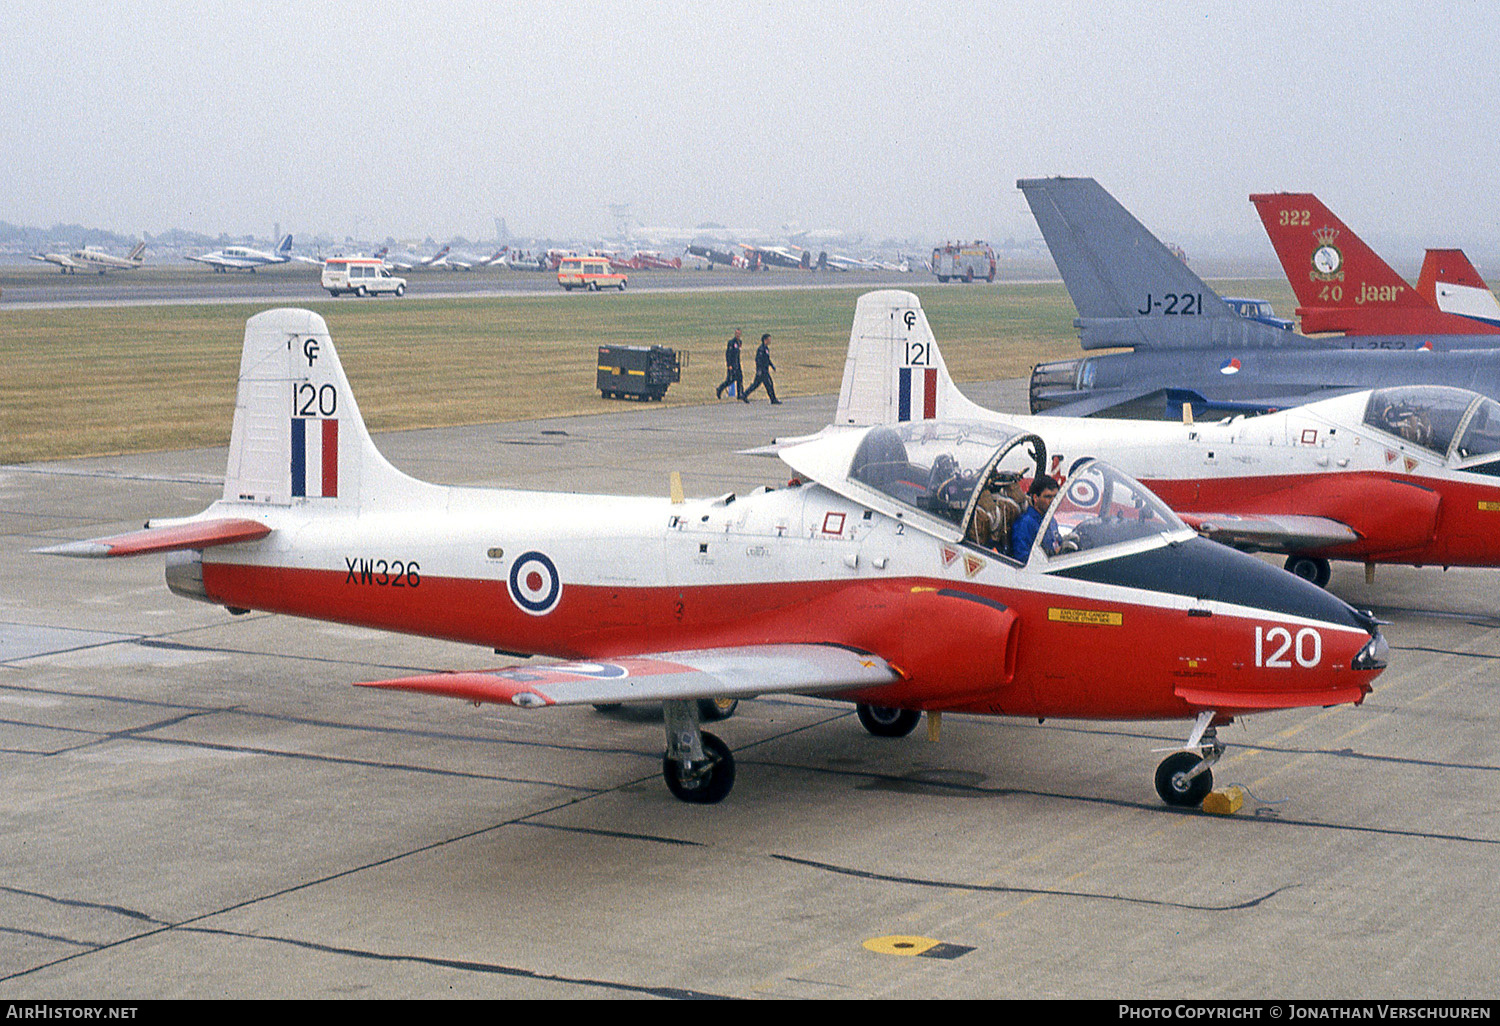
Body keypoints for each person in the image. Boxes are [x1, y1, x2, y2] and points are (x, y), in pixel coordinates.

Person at [1009, 476, 1060, 562]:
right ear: (1035, 498)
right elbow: (1022, 558)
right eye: (1048, 497)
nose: (1053, 501)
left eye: (1055, 497)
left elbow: (1058, 542)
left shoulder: (1051, 520)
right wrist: (1050, 554)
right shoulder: (1025, 523)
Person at [742, 333, 780, 403]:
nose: (770, 341)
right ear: (765, 340)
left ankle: (744, 395)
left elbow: (767, 359)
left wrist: (772, 365)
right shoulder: (761, 349)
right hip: (762, 371)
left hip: (765, 370)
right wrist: (759, 370)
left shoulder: (766, 349)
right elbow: (758, 360)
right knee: (768, 384)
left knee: (757, 384)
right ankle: (773, 399)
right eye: (769, 339)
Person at [716, 329, 744, 399]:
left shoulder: (739, 342)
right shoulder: (731, 343)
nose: (738, 335)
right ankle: (720, 389)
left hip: (738, 364)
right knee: (730, 380)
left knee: (740, 379)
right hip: (732, 364)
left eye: (739, 334)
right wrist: (729, 365)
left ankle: (740, 394)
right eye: (736, 333)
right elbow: (728, 354)